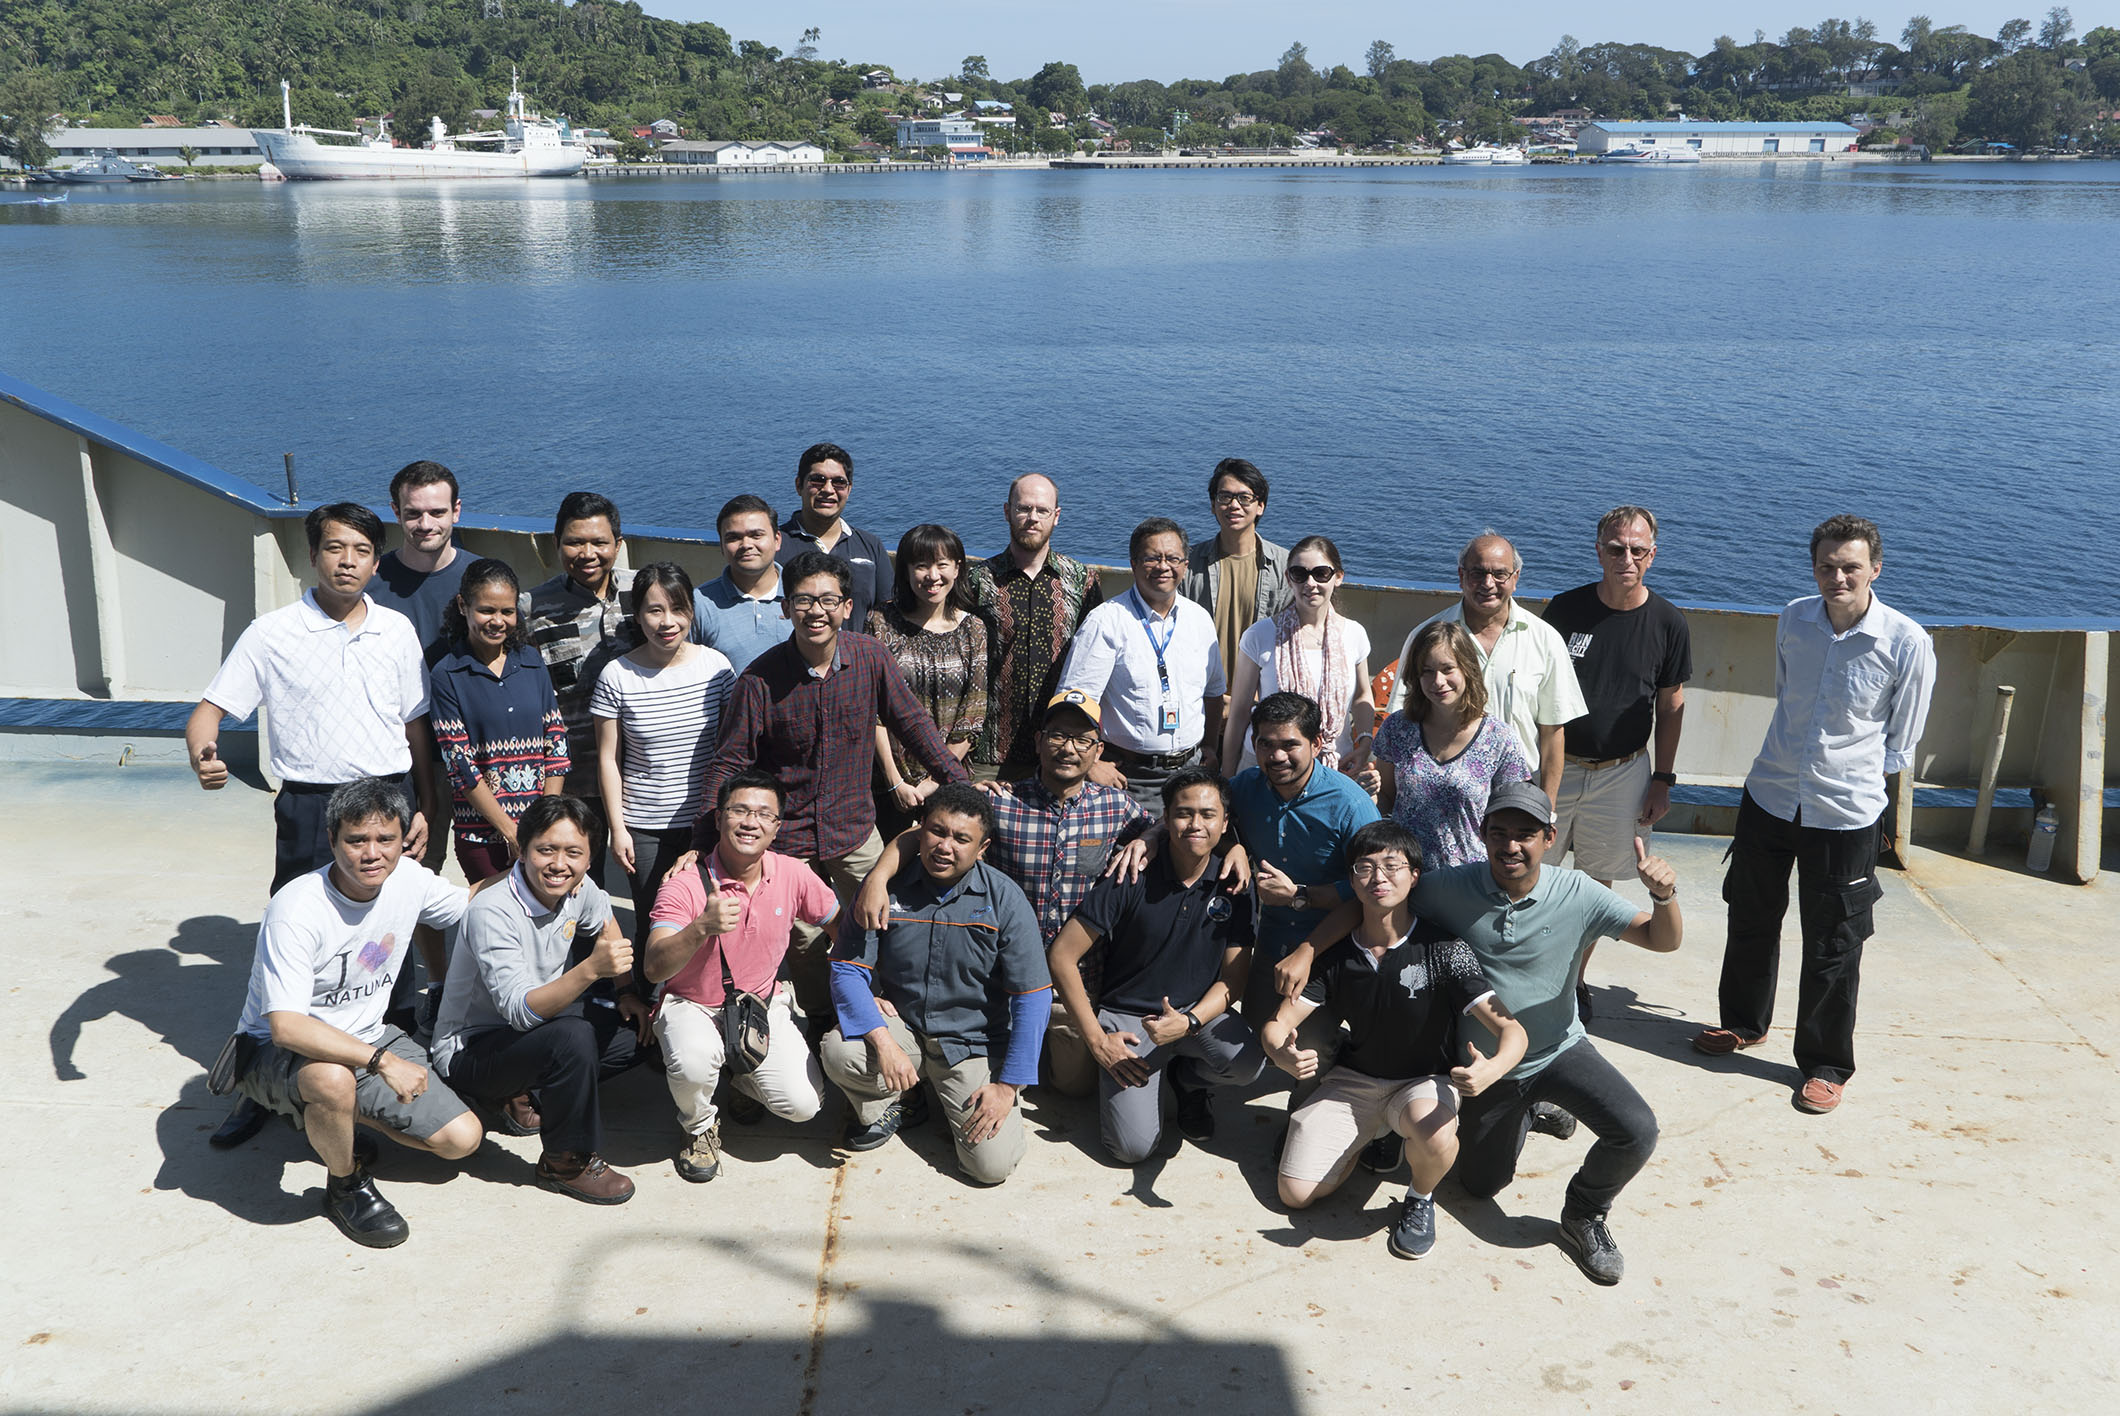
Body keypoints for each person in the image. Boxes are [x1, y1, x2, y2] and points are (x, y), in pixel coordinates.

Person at [1284, 782, 1682, 1284]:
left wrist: (1663, 895)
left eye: (1526, 834)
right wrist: (1307, 949)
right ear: (1482, 834)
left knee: (1637, 1131)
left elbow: (1661, 940)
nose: (1510, 845)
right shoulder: (1447, 886)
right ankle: (1523, 1112)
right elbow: (1374, 902)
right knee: (1478, 1185)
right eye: (1499, 833)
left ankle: (1584, 1212)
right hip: (1478, 1068)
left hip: (1558, 1048)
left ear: (1550, 837)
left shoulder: (1578, 891)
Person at [1694, 514, 1935, 1116]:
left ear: (1875, 569)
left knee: (1834, 940)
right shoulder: (1793, 619)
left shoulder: (1906, 642)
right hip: (1771, 794)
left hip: (1845, 811)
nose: (1837, 577)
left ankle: (1826, 1064)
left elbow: (1900, 741)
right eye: (1826, 566)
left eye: (1850, 566)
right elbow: (1785, 694)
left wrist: (1846, 775)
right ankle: (1743, 1024)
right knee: (1750, 914)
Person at [698, 550, 968, 1022]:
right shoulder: (759, 681)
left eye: (828, 600)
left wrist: (961, 790)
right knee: (801, 942)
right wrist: (707, 841)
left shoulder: (870, 657)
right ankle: (822, 1023)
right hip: (788, 840)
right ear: (786, 608)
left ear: (847, 607)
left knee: (880, 922)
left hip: (854, 827)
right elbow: (730, 763)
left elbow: (914, 725)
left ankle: (890, 1016)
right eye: (803, 600)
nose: (816, 611)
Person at [225, 777, 484, 1247]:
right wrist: (384, 1062)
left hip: (366, 1036)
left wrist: (536, 861)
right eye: (356, 840)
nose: (372, 853)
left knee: (461, 1140)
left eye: (385, 839)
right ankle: (345, 1183)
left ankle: (327, 1120)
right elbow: (285, 1026)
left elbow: (472, 906)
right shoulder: (297, 908)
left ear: (403, 839)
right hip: (275, 1051)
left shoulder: (407, 879)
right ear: (332, 840)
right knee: (331, 1080)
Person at [855, 690, 1149, 1098]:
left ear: (1097, 750)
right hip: (1000, 982)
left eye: (1082, 739)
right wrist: (878, 877)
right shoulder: (1001, 801)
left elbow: (1173, 828)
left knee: (1071, 1088)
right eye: (1058, 735)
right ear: (1037, 741)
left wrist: (1150, 838)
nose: (1068, 748)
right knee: (997, 1077)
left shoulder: (1117, 808)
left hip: (1077, 983)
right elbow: (928, 833)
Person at [1261, 820, 1526, 1261]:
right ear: (1351, 880)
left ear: (1415, 875)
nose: (1378, 878)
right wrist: (1280, 1052)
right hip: (1355, 1080)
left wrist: (1494, 1067)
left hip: (1423, 1080)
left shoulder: (1443, 947)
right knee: (1295, 1195)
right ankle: (1372, 1134)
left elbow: (1511, 1029)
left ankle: (1420, 1198)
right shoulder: (1339, 953)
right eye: (1364, 868)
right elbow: (1277, 1024)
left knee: (1435, 1133)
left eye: (1391, 866)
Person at [186, 501, 440, 899]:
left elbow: (414, 725)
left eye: (362, 550)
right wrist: (203, 755)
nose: (347, 561)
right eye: (334, 548)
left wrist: (425, 805)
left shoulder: (397, 630)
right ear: (312, 555)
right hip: (310, 805)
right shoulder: (270, 633)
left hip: (391, 798)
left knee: (390, 923)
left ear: (376, 564)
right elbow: (209, 710)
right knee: (300, 911)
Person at [821, 784, 1051, 1184]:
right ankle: (902, 1099)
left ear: (983, 848)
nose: (945, 846)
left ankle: (954, 1094)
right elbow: (846, 969)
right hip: (905, 1030)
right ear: (920, 831)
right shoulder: (884, 888)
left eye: (962, 839)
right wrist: (884, 1042)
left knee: (989, 1167)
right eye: (937, 832)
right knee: (840, 1050)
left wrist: (1007, 1087)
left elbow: (1033, 998)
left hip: (971, 1043)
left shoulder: (1005, 900)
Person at [429, 795, 649, 1204]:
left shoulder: (577, 886)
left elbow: (606, 924)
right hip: (472, 1049)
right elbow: (519, 1013)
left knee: (639, 1033)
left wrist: (626, 991)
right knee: (573, 1038)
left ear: (588, 857)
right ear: (523, 849)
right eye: (546, 850)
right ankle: (565, 1161)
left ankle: (533, 1092)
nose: (558, 863)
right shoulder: (492, 910)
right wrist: (588, 970)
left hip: (538, 1025)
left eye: (573, 853)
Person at [1049, 769, 1263, 1163]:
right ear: (1165, 820)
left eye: (1207, 814)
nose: (1195, 824)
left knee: (1248, 1061)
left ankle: (1186, 1079)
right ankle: (1140, 1077)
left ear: (1225, 824)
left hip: (1195, 1017)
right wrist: (1098, 1040)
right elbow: (1062, 954)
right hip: (1129, 1020)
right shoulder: (1132, 872)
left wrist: (1191, 1022)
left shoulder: (1235, 883)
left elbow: (1235, 978)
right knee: (1132, 1149)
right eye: (1183, 814)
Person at [645, 770, 836, 1183]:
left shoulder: (791, 873)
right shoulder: (683, 883)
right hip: (693, 1004)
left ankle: (739, 1077)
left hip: (760, 1005)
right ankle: (698, 1126)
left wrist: (866, 985)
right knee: (693, 1061)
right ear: (718, 819)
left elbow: (840, 926)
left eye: (764, 815)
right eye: (739, 811)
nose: (751, 822)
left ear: (777, 827)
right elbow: (654, 967)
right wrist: (700, 928)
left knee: (804, 1105)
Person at [1539, 506, 1692, 1021]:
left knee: (1594, 884)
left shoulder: (1669, 623)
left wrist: (1662, 780)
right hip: (1556, 769)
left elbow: (1671, 706)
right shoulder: (1564, 610)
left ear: (1653, 554)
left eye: (1638, 549)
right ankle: (1529, 975)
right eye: (1616, 548)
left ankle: (1572, 982)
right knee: (1529, 873)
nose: (1627, 558)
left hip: (1625, 773)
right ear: (1598, 550)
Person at [1383, 532, 1585, 804]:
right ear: (1461, 576)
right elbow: (1401, 720)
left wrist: (1545, 806)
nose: (1488, 583)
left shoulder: (1545, 640)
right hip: (1439, 797)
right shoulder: (1426, 637)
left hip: (1516, 798)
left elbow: (1552, 733)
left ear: (1515, 578)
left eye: (1500, 574)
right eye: (1477, 573)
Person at [591, 561, 735, 923]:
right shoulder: (617, 675)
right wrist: (618, 829)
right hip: (645, 826)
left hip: (709, 821)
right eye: (655, 610)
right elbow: (609, 759)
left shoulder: (716, 668)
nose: (667, 622)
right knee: (656, 922)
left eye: (678, 609)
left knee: (712, 919)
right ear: (637, 616)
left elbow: (733, 748)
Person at [1229, 693, 1380, 1028]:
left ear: (1316, 744)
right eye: (1266, 744)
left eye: (1289, 744)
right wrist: (1233, 845)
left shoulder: (1350, 805)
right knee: (1253, 1049)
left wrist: (1300, 896)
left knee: (1316, 1055)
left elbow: (1374, 892)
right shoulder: (1244, 788)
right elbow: (1201, 810)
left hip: (1337, 950)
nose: (1276, 756)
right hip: (1270, 945)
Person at [1060, 517, 1226, 815]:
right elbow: (1073, 702)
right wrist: (1092, 764)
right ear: (1134, 563)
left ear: (1185, 565)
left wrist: (1211, 748)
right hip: (1130, 777)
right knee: (1129, 860)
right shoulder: (1107, 621)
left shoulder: (1199, 619)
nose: (1163, 566)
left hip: (1191, 772)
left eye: (1172, 558)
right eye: (1152, 558)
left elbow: (1213, 692)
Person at [429, 558, 569, 886]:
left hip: (541, 833)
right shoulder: (447, 675)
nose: (497, 621)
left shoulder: (532, 662)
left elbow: (557, 741)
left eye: (507, 612)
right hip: (482, 838)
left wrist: (543, 824)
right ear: (464, 606)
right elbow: (459, 766)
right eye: (487, 610)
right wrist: (511, 831)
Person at [521, 491, 636, 880]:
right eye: (574, 542)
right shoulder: (532, 609)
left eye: (600, 542)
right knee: (579, 883)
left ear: (618, 545)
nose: (588, 553)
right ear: (556, 545)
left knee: (651, 884)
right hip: (575, 778)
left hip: (642, 774)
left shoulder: (646, 595)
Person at [967, 473, 1106, 782]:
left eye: (1042, 511)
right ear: (1007, 512)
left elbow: (1097, 665)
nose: (1032, 518)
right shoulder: (977, 580)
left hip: (1061, 752)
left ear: (1056, 517)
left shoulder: (1082, 581)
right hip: (988, 754)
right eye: (1023, 509)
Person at [1372, 620, 1535, 870]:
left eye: (1448, 669)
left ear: (1467, 670)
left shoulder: (1499, 738)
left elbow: (1514, 813)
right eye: (1426, 671)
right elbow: (1386, 795)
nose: (1438, 681)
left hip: (1470, 876)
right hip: (1405, 874)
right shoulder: (1397, 728)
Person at [864, 523, 989, 839]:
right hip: (885, 782)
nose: (932, 575)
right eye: (921, 565)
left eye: (942, 564)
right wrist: (895, 781)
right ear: (905, 571)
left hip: (948, 780)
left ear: (957, 568)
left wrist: (935, 779)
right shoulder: (880, 622)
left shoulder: (973, 629)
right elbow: (874, 708)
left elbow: (971, 718)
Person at [1221, 534, 1374, 776]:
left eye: (1321, 573)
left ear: (1338, 578)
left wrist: (1365, 743)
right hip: (1270, 766)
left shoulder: (1354, 634)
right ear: (1288, 579)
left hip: (1335, 766)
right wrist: (1227, 777)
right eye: (1300, 574)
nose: (1310, 583)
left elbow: (1363, 695)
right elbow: (1239, 713)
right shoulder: (1260, 636)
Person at [1180, 458, 1291, 688]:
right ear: (1213, 505)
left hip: (1261, 699)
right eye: (1225, 497)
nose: (1234, 505)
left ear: (1260, 506)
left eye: (1244, 497)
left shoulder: (1286, 567)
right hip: (1201, 695)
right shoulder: (1187, 565)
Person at [774, 442, 892, 630]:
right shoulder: (776, 545)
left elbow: (887, 613)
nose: (828, 489)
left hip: (858, 658)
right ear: (799, 485)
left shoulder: (870, 545)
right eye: (817, 480)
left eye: (838, 482)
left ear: (849, 489)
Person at [366, 459, 464, 667]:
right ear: (396, 513)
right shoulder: (368, 585)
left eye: (437, 513)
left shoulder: (484, 578)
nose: (426, 524)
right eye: (413, 513)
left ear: (456, 511)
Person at [691, 493, 790, 673]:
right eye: (733, 538)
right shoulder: (700, 604)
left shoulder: (803, 595)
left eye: (756, 535)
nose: (746, 544)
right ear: (721, 546)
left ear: (777, 540)